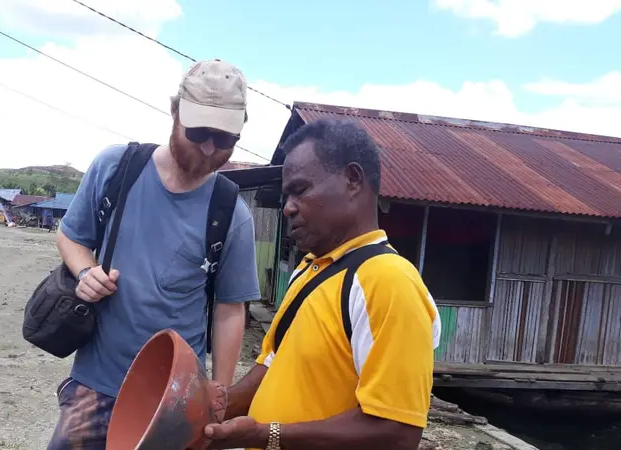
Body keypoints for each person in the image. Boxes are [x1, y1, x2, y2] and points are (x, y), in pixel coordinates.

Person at [47, 59, 261, 449]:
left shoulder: (232, 214)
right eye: (198, 132)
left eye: (225, 138)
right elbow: (71, 236)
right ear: (175, 111)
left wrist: (219, 388)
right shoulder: (116, 168)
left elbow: (231, 308)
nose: (210, 147)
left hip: (175, 398)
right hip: (96, 382)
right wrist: (84, 272)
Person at [203, 118, 442, 450]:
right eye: (286, 195)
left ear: (353, 179)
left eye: (300, 190)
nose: (287, 207)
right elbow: (272, 362)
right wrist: (212, 415)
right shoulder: (309, 269)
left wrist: (267, 434)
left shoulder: (388, 282)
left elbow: (397, 432)